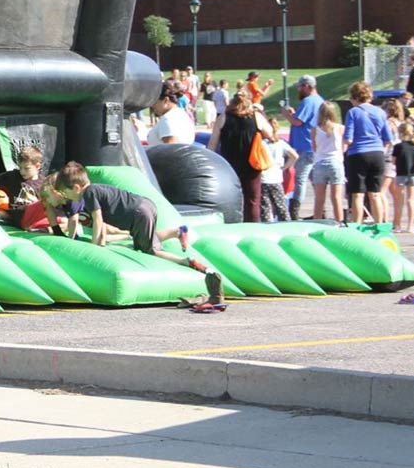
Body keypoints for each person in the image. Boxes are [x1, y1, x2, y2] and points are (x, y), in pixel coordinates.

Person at [46, 162, 217, 305]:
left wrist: (95, 247)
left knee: (150, 250)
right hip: (144, 206)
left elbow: (98, 220)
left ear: (76, 187)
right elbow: (103, 222)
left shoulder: (89, 193)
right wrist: (102, 241)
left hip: (138, 213)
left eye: (66, 193)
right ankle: (177, 232)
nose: (67, 197)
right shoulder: (96, 189)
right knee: (143, 240)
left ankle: (187, 261)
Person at [211, 93, 269, 223]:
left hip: (229, 165)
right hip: (252, 164)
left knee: (230, 198)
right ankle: (252, 227)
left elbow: (212, 144)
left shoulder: (223, 118)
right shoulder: (256, 117)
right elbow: (270, 133)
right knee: (253, 200)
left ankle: (232, 224)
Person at [342, 82, 393, 225]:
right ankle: (379, 224)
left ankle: (357, 226)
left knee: (357, 194)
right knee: (375, 193)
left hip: (358, 154)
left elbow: (348, 138)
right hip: (377, 153)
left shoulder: (353, 112)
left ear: (354, 97)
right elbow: (388, 139)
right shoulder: (380, 112)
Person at [282, 75, 323, 220]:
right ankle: (321, 211)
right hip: (314, 146)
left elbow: (298, 122)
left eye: (300, 87)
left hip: (303, 145)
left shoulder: (308, 101)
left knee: (300, 179)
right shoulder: (320, 101)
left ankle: (294, 211)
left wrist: (286, 115)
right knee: (315, 180)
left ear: (307, 86)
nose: (298, 89)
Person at [309, 100, 346, 222]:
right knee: (336, 197)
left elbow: (314, 147)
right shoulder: (340, 128)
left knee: (319, 198)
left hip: (320, 162)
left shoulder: (315, 130)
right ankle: (339, 222)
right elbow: (344, 147)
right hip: (335, 162)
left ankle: (317, 221)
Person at [259, 117, 296, 223]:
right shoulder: (281, 143)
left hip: (263, 177)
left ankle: (267, 226)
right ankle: (286, 225)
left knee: (265, 208)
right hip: (276, 178)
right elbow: (294, 156)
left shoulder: (261, 143)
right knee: (281, 207)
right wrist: (285, 167)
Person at [148, 80, 196, 145]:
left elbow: (171, 151)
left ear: (166, 100)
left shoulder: (168, 120)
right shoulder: (181, 114)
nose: (152, 105)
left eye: (155, 101)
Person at [391, 125, 414, 233]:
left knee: (399, 200)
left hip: (401, 174)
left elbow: (393, 160)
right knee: (411, 200)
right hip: (413, 174)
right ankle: (410, 225)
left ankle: (397, 225)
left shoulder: (398, 146)